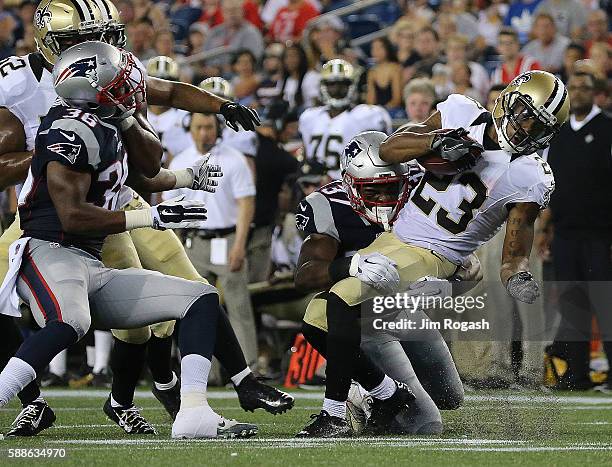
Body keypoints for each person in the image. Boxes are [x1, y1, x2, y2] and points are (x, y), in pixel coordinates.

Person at [0, 0, 279, 438]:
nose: (100, 49)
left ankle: (150, 399)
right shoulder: (38, 100)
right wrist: (51, 158)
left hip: (110, 210)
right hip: (50, 223)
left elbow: (148, 158)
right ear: (53, 43)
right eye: (83, 41)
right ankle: (31, 400)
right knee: (57, 316)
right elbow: (67, 210)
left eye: (105, 38)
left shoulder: (110, 92)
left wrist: (195, 155)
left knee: (184, 300)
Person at [297, 70, 569, 437]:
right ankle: (378, 396)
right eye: (525, 114)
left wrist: (517, 276)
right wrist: (438, 141)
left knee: (346, 305)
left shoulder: (530, 175)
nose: (525, 129)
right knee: (318, 316)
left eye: (538, 127)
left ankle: (352, 407)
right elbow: (390, 149)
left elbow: (513, 253)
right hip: (395, 240)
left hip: (434, 254)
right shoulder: (460, 111)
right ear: (508, 99)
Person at [295, 131, 472, 436]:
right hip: (360, 323)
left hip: (404, 311)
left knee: (450, 397)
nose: (385, 200)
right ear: (350, 185)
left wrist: (449, 284)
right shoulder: (329, 206)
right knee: (423, 425)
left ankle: (366, 386)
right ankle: (362, 392)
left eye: (393, 188)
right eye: (373, 191)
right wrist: (351, 265)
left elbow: (470, 269)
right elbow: (305, 276)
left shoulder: (420, 195)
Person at [165, 113, 258, 369]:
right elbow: (170, 207)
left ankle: (249, 368)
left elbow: (246, 204)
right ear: (190, 129)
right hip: (193, 241)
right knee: (195, 309)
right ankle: (203, 372)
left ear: (217, 129)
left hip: (227, 239)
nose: (204, 132)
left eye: (209, 127)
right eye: (199, 127)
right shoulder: (182, 160)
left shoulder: (234, 159)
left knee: (239, 307)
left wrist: (240, 245)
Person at [539, 71, 612, 390]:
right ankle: (577, 373)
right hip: (565, 232)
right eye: (574, 88)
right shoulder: (559, 132)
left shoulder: (608, 129)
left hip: (601, 234)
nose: (579, 93)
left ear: (597, 93)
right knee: (572, 304)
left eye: (585, 87)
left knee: (605, 302)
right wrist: (545, 229)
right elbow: (550, 185)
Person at [299, 59, 392, 180]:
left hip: (352, 184)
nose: (337, 89)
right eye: (332, 84)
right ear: (323, 86)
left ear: (352, 86)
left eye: (343, 84)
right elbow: (307, 154)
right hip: (314, 183)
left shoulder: (368, 115)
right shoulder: (310, 117)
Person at [248, 101, 300, 283]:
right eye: (291, 127)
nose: (293, 133)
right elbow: (285, 197)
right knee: (255, 286)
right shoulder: (283, 160)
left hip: (231, 224)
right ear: (279, 123)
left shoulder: (245, 144)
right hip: (259, 227)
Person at [202, 0, 264, 72]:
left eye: (235, 10)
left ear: (242, 11)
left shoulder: (251, 33)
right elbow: (204, 57)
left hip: (237, 76)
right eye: (228, 10)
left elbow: (254, 61)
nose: (231, 14)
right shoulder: (215, 32)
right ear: (222, 12)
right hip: (209, 74)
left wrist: (221, 69)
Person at [366, 37, 403, 112]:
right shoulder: (372, 72)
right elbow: (371, 99)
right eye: (373, 48)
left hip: (394, 110)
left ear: (387, 49)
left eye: (379, 48)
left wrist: (384, 110)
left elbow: (397, 98)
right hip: (378, 111)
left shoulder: (395, 68)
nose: (375, 51)